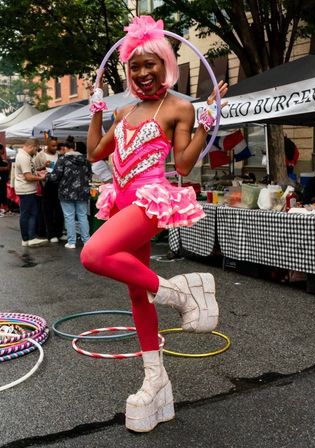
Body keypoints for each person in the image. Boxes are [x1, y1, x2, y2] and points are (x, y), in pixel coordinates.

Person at [80, 15, 227, 433]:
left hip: (148, 201)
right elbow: (94, 153)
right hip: (120, 201)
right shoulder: (124, 109)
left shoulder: (178, 106)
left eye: (151, 64)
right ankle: (155, 381)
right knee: (137, 297)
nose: (143, 73)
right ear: (127, 70)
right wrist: (96, 113)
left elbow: (182, 163)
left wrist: (205, 125)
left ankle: (181, 293)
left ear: (166, 64)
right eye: (135, 66)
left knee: (94, 254)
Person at [46, 136, 91, 249]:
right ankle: (87, 241)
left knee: (69, 217)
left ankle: (71, 242)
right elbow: (89, 174)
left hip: (66, 192)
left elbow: (55, 177)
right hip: (82, 192)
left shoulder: (62, 160)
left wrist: (46, 176)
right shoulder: (85, 159)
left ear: (65, 148)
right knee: (82, 216)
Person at [14, 139, 48, 247]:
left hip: (27, 189)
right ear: (32, 147)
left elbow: (30, 171)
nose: (36, 152)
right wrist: (41, 177)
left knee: (31, 213)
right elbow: (28, 176)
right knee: (28, 214)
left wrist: (39, 171)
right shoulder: (23, 157)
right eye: (36, 150)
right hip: (25, 190)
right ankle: (28, 238)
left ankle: (29, 238)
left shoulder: (25, 156)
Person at [34, 137, 64, 243]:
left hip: (59, 185)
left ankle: (59, 233)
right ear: (47, 144)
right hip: (46, 185)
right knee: (48, 211)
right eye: (53, 146)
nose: (55, 148)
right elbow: (34, 170)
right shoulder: (40, 155)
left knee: (60, 211)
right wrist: (43, 166)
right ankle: (51, 234)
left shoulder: (59, 155)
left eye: (56, 145)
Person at [0, 144, 10, 214]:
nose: (4, 151)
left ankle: (5, 208)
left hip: (3, 179)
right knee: (1, 193)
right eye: (3, 149)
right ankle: (4, 208)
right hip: (1, 179)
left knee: (3, 193)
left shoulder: (0, 157)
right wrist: (6, 168)